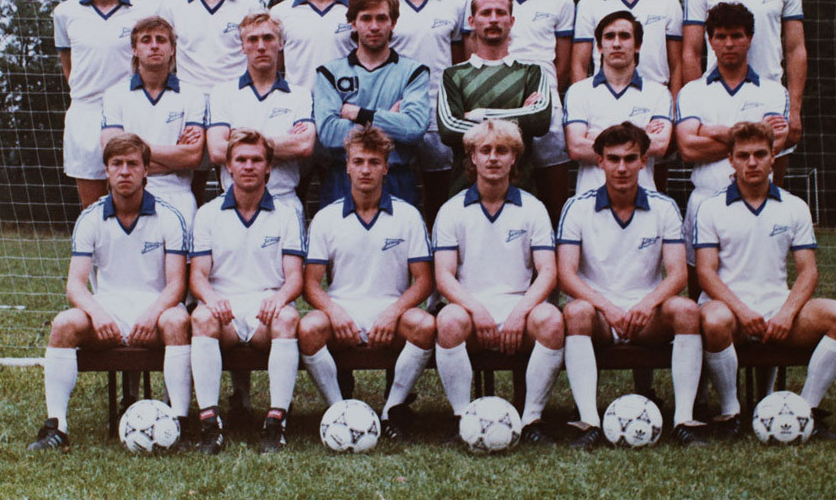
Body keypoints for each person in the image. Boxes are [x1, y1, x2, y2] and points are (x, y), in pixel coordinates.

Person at [695, 121, 836, 438]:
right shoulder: (710, 208)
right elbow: (705, 273)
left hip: (776, 308)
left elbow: (808, 271)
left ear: (773, 157)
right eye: (743, 155)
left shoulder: (794, 206)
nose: (752, 162)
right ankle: (731, 414)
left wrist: (786, 312)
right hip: (731, 312)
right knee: (714, 320)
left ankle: (806, 412)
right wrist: (743, 312)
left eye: (760, 154)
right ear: (731, 160)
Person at [27, 134, 191, 451]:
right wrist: (98, 314)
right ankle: (56, 427)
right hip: (109, 312)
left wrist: (152, 314)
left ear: (146, 170)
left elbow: (176, 285)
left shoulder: (170, 216)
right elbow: (75, 284)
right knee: (63, 324)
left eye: (133, 164)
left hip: (156, 311)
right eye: (117, 164)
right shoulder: (90, 218)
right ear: (107, 170)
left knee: (177, 322)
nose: (124, 171)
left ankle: (180, 424)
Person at [557, 122, 707, 448]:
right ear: (600, 161)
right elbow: (566, 274)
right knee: (576, 312)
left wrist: (647, 304)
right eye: (613, 159)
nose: (622, 167)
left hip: (645, 316)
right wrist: (607, 307)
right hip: (599, 314)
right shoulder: (578, 207)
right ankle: (588, 422)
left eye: (630, 158)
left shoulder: (664, 207)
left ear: (643, 161)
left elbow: (678, 274)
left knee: (686, 309)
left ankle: (684, 420)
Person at [298, 126, 435, 441]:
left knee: (425, 325)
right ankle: (338, 411)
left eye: (374, 162)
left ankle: (392, 411)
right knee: (308, 328)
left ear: (386, 167)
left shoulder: (407, 216)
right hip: (343, 311)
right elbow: (311, 285)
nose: (365, 169)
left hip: (390, 311)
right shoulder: (326, 218)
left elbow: (424, 280)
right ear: (347, 165)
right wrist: (334, 312)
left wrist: (393, 312)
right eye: (358, 161)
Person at [433, 119, 564, 444]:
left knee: (551, 320)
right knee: (448, 321)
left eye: (502, 151)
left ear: (513, 157)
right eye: (485, 150)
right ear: (472, 157)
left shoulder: (533, 208)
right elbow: (444, 275)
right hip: (470, 309)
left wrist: (520, 313)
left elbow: (548, 271)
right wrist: (476, 310)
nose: (493, 157)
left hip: (519, 307)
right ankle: (462, 419)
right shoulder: (452, 210)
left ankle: (532, 420)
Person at [188, 129, 305, 454]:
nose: (249, 166)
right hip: (224, 309)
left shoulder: (287, 214)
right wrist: (211, 299)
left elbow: (295, 277)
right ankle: (210, 425)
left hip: (266, 309)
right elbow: (197, 276)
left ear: (269, 167)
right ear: (228, 165)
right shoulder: (208, 213)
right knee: (201, 318)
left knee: (287, 319)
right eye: (241, 159)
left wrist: (279, 299)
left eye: (256, 160)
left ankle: (276, 423)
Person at [682, 0, 808, 184]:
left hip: (770, 101)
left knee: (768, 188)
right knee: (714, 182)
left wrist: (795, 108)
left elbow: (796, 49)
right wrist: (695, 102)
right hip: (717, 101)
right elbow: (691, 51)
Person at [463, 0, 575, 226]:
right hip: (494, 101)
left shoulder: (561, 0)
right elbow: (471, 55)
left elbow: (563, 63)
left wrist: (539, 95)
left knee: (553, 195)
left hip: (544, 103)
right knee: (497, 185)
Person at [676, 2, 789, 293]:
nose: (729, 44)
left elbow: (775, 144)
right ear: (710, 39)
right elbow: (687, 148)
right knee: (699, 292)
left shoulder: (774, 92)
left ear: (749, 38)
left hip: (756, 203)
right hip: (704, 200)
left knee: (762, 288)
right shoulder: (692, 92)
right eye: (721, 36)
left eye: (736, 35)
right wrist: (751, 135)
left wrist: (712, 131)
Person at [157, 0, 261, 203]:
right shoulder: (172, 6)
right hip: (189, 106)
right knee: (188, 187)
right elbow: (164, 61)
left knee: (238, 184)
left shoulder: (249, 6)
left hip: (235, 105)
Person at [53, 0, 148, 209]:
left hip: (131, 114)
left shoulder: (142, 11)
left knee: (134, 204)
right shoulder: (65, 13)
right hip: (85, 115)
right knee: (93, 208)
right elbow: (67, 61)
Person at [314, 0, 429, 208]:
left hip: (396, 177)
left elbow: (414, 128)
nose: (374, 26)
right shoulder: (329, 73)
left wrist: (359, 114)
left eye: (381, 18)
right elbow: (328, 133)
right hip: (344, 177)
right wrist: (389, 120)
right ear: (353, 23)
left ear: (392, 23)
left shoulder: (413, 72)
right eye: (366, 18)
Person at [388, 0, 466, 226]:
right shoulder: (384, 3)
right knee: (397, 197)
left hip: (438, 117)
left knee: (439, 199)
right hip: (395, 115)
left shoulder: (455, 4)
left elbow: (459, 62)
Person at [438, 0, 551, 193]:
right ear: (472, 21)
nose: (493, 19)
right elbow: (449, 129)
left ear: (511, 21)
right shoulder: (453, 75)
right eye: (485, 13)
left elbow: (540, 120)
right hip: (465, 188)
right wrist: (518, 116)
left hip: (520, 186)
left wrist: (478, 115)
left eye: (500, 13)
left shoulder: (532, 72)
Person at [207, 12, 315, 215]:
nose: (261, 46)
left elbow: (304, 146)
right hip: (234, 202)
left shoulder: (300, 95)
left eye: (268, 38)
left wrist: (240, 140)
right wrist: (282, 145)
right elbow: (217, 151)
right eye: (252, 39)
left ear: (280, 43)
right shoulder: (222, 93)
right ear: (242, 46)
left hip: (284, 201)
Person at [101, 16, 205, 224]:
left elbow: (193, 157)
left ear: (173, 49)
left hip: (178, 195)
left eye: (161, 40)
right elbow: (111, 153)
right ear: (134, 49)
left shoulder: (193, 94)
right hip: (128, 195)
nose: (154, 46)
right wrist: (175, 158)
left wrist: (136, 153)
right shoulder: (114, 95)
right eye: (146, 40)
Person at [564, 10, 672, 195]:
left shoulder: (658, 93)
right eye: (609, 37)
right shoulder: (578, 91)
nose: (616, 43)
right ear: (599, 46)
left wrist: (595, 136)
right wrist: (641, 136)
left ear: (638, 45)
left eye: (624, 36)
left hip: (642, 199)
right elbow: (575, 148)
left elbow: (660, 145)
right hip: (590, 200)